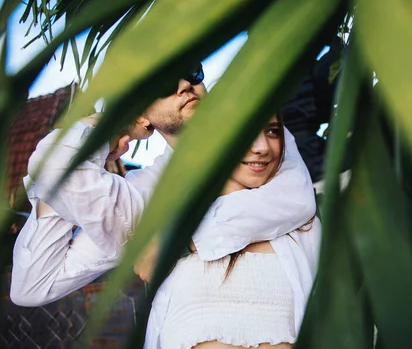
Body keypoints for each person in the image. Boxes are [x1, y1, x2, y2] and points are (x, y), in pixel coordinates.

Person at [11, 68, 316, 312]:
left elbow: (295, 199)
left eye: (192, 71)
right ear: (140, 116)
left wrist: (171, 241)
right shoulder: (147, 190)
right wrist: (63, 195)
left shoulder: (258, 137)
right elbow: (33, 286)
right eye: (164, 80)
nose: (185, 84)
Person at [152, 113, 320, 349]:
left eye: (272, 131)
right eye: (245, 131)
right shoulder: (166, 222)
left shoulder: (303, 226)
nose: (262, 147)